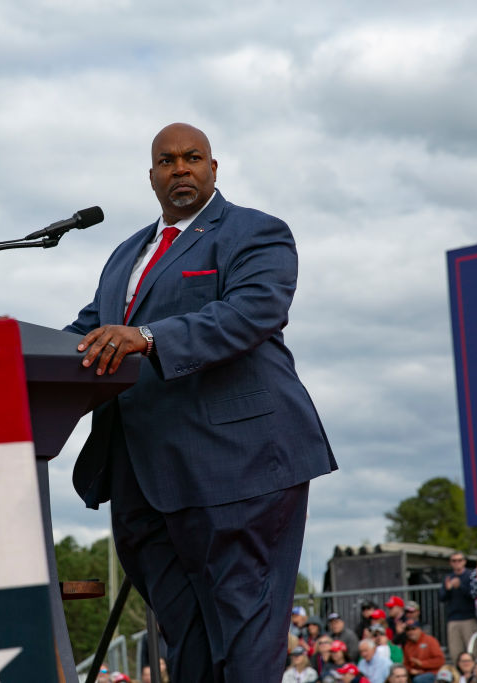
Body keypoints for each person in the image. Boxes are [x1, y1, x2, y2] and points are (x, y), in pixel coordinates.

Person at [65, 122, 337, 681]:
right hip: (144, 477)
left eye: (193, 158)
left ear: (214, 168)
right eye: (167, 161)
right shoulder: (124, 255)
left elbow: (253, 311)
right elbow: (84, 338)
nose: (180, 168)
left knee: (245, 629)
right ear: (152, 176)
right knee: (182, 637)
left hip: (239, 465)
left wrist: (149, 337)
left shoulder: (254, 232)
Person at [443, 551, 477, 662]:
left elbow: (474, 595)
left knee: (472, 651)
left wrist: (460, 586)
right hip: (453, 619)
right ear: (450, 563)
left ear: (464, 562)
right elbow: (442, 597)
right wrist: (448, 589)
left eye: (459, 560)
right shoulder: (448, 577)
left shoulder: (471, 575)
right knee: (455, 653)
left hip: (469, 618)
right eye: (454, 560)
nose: (457, 563)